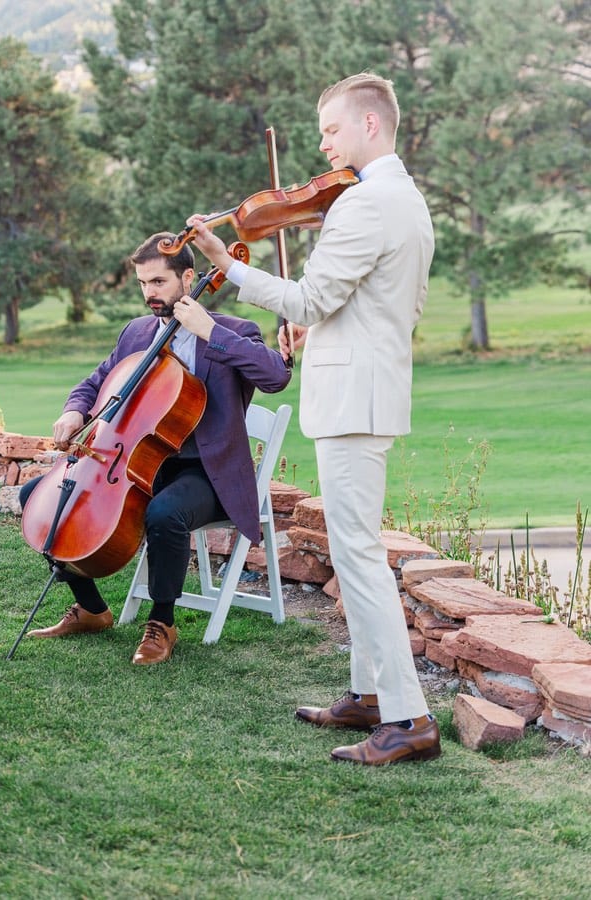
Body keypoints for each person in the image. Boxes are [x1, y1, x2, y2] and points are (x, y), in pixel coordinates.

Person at [186, 73, 439, 766]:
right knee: (356, 550)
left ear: (370, 125)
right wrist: (320, 331)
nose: (323, 144)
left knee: (358, 557)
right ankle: (365, 694)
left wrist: (226, 266)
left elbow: (309, 297)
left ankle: (409, 719)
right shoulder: (407, 201)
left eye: (330, 129)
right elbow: (380, 308)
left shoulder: (364, 203)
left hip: (353, 400)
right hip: (369, 387)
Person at [20, 233, 291, 664]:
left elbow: (276, 376)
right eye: (143, 283)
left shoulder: (234, 331)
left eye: (159, 282)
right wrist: (75, 411)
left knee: (165, 513)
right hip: (139, 463)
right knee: (38, 495)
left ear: (188, 276)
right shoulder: (137, 333)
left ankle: (162, 621)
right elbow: (96, 381)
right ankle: (92, 609)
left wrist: (211, 331)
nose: (150, 293)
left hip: (205, 470)